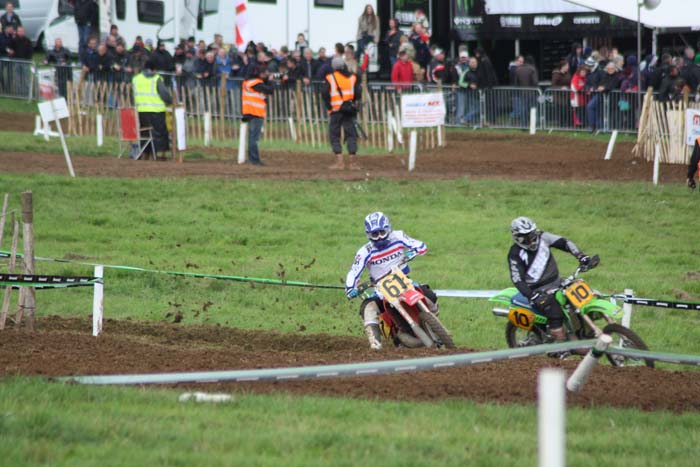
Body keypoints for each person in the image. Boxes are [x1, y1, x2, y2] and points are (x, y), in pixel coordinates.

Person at [344, 212, 434, 350]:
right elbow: (354, 271)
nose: (379, 238)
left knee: (429, 295)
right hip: (381, 290)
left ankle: (434, 323)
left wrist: (415, 251)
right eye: (375, 234)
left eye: (382, 232)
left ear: (388, 228)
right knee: (368, 308)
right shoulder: (365, 252)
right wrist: (350, 287)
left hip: (405, 283)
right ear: (368, 235)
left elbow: (419, 245)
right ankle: (376, 346)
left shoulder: (398, 237)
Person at [508, 217, 593, 345]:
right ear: (517, 237)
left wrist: (581, 256)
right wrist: (532, 295)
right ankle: (558, 346)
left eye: (532, 234)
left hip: (557, 282)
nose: (530, 239)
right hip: (537, 291)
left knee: (583, 297)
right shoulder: (515, 253)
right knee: (554, 310)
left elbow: (564, 242)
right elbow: (517, 279)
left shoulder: (543, 237)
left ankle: (583, 331)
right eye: (525, 237)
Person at [322, 57, 362, 170]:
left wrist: (329, 107)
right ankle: (353, 163)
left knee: (334, 134)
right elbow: (358, 94)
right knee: (351, 134)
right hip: (348, 110)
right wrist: (351, 103)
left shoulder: (330, 78)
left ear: (334, 67)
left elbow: (324, 94)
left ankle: (340, 163)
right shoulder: (352, 77)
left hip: (336, 110)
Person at [132, 57, 173, 160]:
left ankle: (145, 153)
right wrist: (169, 101)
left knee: (145, 133)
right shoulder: (156, 79)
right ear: (154, 69)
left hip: (142, 111)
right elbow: (164, 94)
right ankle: (158, 154)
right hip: (157, 110)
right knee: (159, 134)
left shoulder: (136, 79)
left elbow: (132, 94)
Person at [241, 64, 273, 166]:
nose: (266, 75)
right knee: (254, 138)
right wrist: (271, 80)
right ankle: (255, 160)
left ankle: (252, 158)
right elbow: (270, 90)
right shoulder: (256, 83)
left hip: (249, 112)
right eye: (264, 73)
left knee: (252, 137)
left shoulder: (247, 82)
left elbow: (261, 95)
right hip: (256, 113)